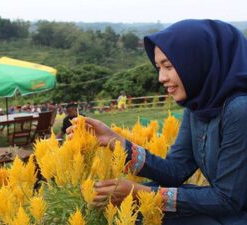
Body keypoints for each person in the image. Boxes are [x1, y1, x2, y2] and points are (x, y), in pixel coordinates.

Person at [68, 20, 247, 224]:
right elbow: (176, 170)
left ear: (200, 61)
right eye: (158, 67)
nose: (161, 77)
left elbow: (228, 200)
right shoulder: (198, 105)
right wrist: (116, 142)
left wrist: (141, 193)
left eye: (169, 66)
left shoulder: (239, 108)